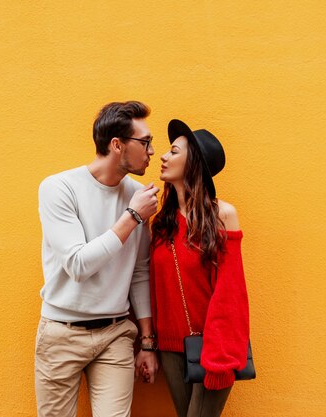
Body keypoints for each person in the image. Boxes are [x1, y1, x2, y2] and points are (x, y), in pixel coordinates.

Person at [35, 101, 160, 417]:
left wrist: (146, 343)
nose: (152, 151)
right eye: (144, 142)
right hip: (61, 332)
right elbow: (78, 265)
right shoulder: (60, 188)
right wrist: (132, 216)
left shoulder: (136, 194)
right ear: (117, 145)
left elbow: (140, 272)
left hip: (115, 333)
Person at [150, 119, 250, 417]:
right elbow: (155, 285)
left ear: (194, 161)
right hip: (170, 348)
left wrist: (219, 358)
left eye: (173, 151)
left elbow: (231, 291)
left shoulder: (223, 215)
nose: (163, 157)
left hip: (212, 347)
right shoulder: (162, 224)